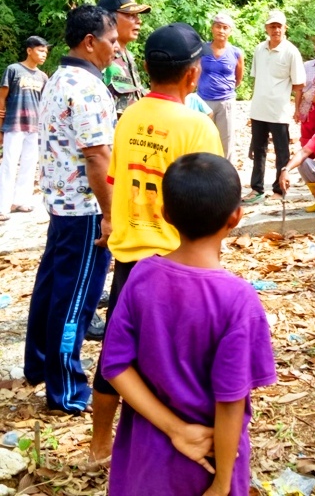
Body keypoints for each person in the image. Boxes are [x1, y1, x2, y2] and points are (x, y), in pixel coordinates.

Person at [101, 152, 276, 496]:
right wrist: (222, 482)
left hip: (147, 455)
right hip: (209, 463)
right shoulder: (238, 300)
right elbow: (230, 399)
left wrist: (174, 429)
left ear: (165, 214)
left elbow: (114, 365)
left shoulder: (141, 276)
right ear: (236, 217)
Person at [89, 23, 224, 463]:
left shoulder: (128, 116)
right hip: (177, 259)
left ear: (145, 68)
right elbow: (211, 204)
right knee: (177, 361)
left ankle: (99, 445)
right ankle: (180, 442)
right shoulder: (197, 126)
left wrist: (113, 221)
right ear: (193, 75)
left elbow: (117, 179)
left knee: (116, 356)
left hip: (129, 260)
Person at [23, 5, 119, 415]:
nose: (116, 49)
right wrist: (111, 214)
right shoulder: (86, 86)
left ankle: (39, 365)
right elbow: (98, 156)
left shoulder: (58, 78)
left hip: (62, 205)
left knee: (52, 286)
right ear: (90, 42)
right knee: (76, 297)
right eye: (112, 42)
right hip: (85, 211)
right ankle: (66, 390)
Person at [245, 10, 306, 204]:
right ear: (266, 28)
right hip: (259, 108)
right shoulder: (259, 49)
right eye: (272, 26)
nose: (276, 30)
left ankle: (280, 189)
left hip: (279, 110)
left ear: (285, 28)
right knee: (258, 149)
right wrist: (252, 106)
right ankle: (256, 188)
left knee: (282, 151)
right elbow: (257, 79)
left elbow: (298, 85)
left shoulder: (291, 51)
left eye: (279, 26)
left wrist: (296, 109)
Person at [0, 36, 49, 221]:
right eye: (40, 51)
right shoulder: (13, 70)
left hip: (34, 126)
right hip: (14, 123)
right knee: (9, 164)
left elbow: (44, 103)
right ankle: (2, 207)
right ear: (29, 50)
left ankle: (21, 201)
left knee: (29, 164)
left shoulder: (43, 77)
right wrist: (0, 127)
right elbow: (2, 98)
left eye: (45, 52)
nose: (43, 55)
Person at [198, 12, 244, 160]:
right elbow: (195, 71)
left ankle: (226, 176)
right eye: (218, 27)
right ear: (212, 28)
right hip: (203, 101)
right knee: (203, 139)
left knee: (226, 141)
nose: (221, 31)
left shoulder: (236, 53)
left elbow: (238, 78)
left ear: (230, 31)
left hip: (226, 102)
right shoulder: (202, 49)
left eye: (225, 28)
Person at [97, 0, 151, 116]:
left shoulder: (128, 56)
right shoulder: (101, 58)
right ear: (108, 19)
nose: (139, 21)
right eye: (131, 15)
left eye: (138, 15)